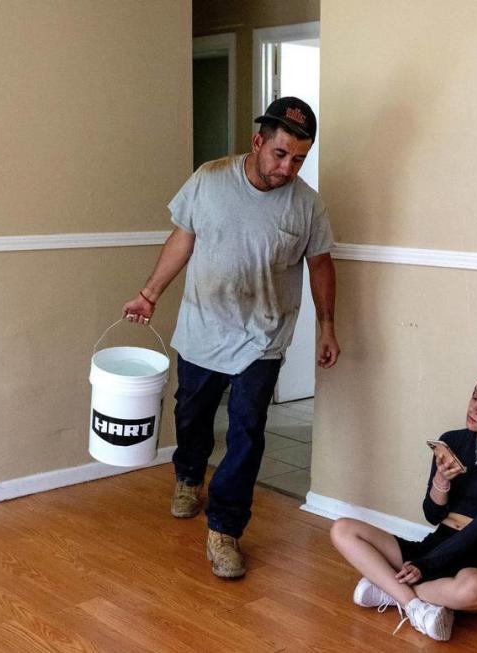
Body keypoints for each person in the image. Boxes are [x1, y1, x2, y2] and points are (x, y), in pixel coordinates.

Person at [122, 97, 339, 579]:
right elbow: (184, 237)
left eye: (299, 159)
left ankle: (225, 529)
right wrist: (149, 293)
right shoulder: (209, 179)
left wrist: (326, 325)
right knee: (191, 412)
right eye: (281, 154)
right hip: (202, 325)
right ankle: (188, 474)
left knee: (246, 432)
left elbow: (320, 264)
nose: (288, 167)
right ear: (258, 141)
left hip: (263, 337)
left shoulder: (307, 205)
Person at [330, 366, 477, 641]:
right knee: (343, 529)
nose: (473, 408)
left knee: (475, 590)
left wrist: (427, 566)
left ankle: (389, 591)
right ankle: (415, 605)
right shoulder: (452, 441)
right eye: (473, 397)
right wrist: (441, 482)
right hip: (438, 543)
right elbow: (432, 515)